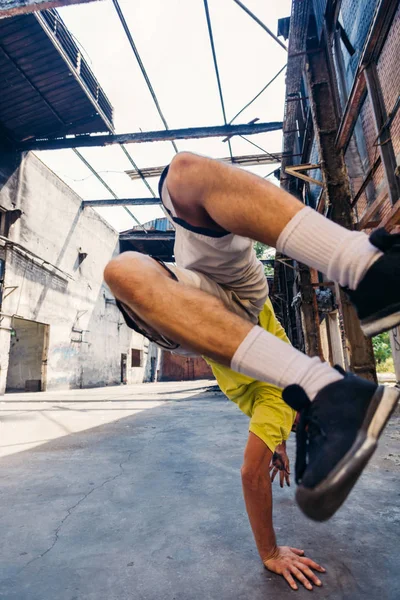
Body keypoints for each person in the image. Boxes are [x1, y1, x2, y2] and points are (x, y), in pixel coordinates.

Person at [104, 152, 400, 591]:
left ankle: (326, 388)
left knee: (122, 270)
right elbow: (267, 439)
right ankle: (363, 264)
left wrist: (270, 550)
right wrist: (278, 445)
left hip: (203, 319)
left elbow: (251, 474)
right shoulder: (279, 409)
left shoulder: (278, 407)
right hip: (244, 296)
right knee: (184, 173)